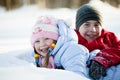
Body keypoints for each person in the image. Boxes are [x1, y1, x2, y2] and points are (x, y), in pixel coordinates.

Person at [75, 4, 120, 80]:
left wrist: (103, 58)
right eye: (87, 25)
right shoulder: (72, 40)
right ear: (78, 27)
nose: (93, 30)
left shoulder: (109, 37)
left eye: (96, 25)